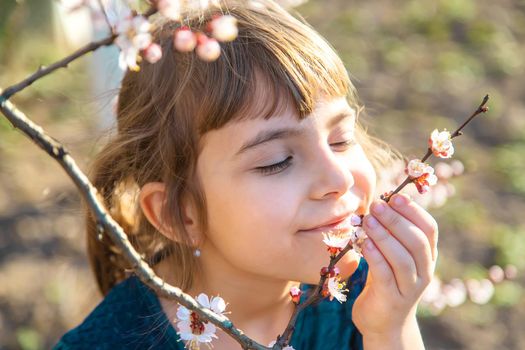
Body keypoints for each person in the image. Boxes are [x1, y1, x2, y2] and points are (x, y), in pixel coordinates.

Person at [54, 0, 438, 349]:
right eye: (276, 161)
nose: (339, 179)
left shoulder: (364, 290)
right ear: (179, 213)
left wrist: (389, 328)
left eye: (341, 139)